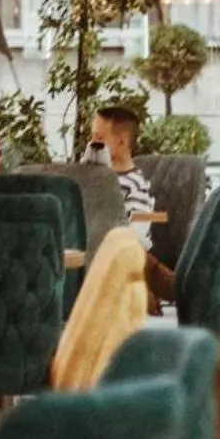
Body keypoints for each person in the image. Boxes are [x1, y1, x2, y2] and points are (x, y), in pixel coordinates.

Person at [86, 104, 176, 301]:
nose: (92, 143)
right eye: (91, 137)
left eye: (99, 138)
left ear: (121, 142)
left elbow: (137, 234)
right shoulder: (92, 176)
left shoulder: (136, 185)